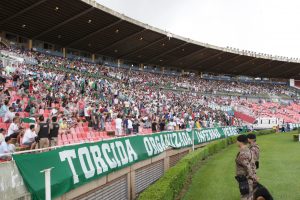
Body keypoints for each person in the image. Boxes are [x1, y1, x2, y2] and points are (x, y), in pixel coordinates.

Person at [235, 134, 257, 200]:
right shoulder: (249, 150)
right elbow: (253, 164)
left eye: (237, 141)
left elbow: (248, 167)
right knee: (250, 196)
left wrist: (252, 177)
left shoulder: (243, 153)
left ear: (240, 142)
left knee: (245, 196)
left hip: (245, 178)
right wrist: (254, 175)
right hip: (248, 178)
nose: (236, 142)